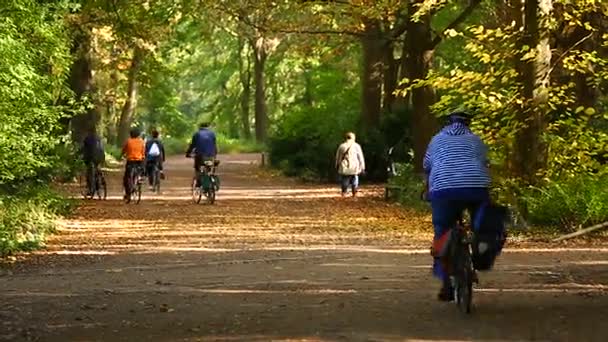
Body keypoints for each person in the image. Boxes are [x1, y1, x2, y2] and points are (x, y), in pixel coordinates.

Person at [423, 110, 491, 301]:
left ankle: (446, 284)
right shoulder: (476, 140)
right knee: (483, 223)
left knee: (442, 231)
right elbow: (485, 163)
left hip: (444, 190)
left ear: (447, 123)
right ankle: (478, 247)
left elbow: (427, 166)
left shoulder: (436, 140)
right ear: (468, 124)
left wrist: (429, 188)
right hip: (476, 188)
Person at [335, 132, 365, 197]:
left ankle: (344, 192)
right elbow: (360, 157)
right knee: (355, 178)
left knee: (345, 179)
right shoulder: (357, 146)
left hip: (345, 165)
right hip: (354, 166)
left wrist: (337, 165)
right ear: (353, 138)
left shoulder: (342, 146)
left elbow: (338, 157)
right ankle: (354, 192)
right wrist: (362, 166)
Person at [122, 128, 146, 199]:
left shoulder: (128, 141)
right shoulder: (142, 142)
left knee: (127, 177)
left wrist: (121, 155)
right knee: (140, 169)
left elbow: (124, 150)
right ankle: (139, 177)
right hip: (139, 161)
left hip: (130, 161)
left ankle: (128, 193)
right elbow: (143, 152)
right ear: (138, 135)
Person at [81, 129, 105, 196]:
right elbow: (102, 148)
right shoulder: (99, 138)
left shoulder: (87, 138)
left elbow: (84, 149)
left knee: (89, 173)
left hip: (91, 158)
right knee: (96, 169)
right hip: (100, 157)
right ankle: (98, 181)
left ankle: (90, 189)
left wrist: (78, 154)